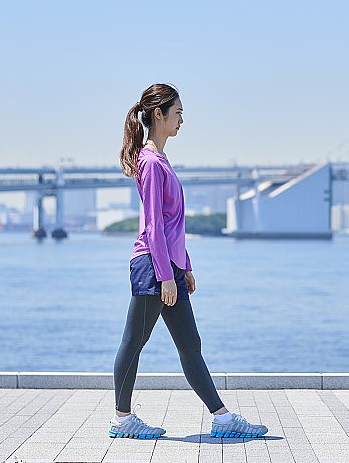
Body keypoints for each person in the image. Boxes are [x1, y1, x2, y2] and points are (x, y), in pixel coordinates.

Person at [109, 83, 268, 439]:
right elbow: (152, 227)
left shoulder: (161, 160)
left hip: (168, 266)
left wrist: (186, 266)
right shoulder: (150, 162)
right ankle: (121, 420)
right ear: (159, 115)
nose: (182, 119)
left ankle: (223, 419)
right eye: (178, 112)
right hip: (153, 266)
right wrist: (167, 276)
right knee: (133, 341)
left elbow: (172, 223)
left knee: (190, 344)